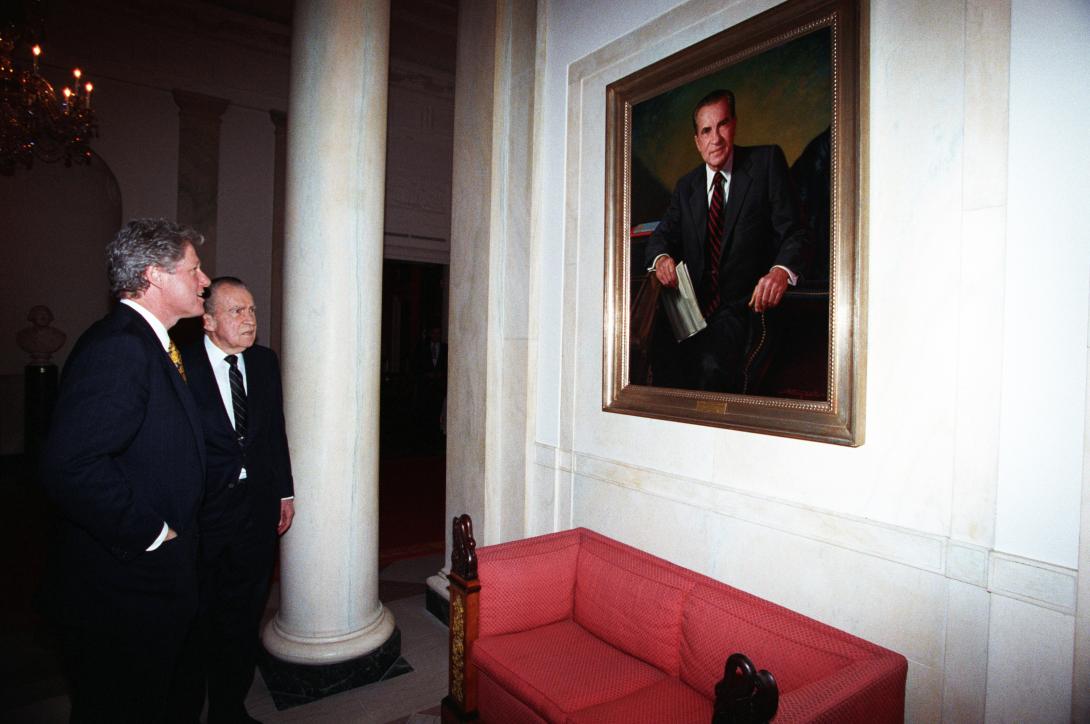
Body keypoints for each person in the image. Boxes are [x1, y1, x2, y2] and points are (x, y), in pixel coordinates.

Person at [39, 218, 211, 722]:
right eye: (194, 270)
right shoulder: (120, 346)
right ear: (156, 275)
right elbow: (71, 465)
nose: (204, 281)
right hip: (126, 585)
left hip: (154, 577)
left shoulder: (150, 340)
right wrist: (154, 534)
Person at [172, 276, 294, 724]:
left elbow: (273, 432)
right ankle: (184, 708)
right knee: (195, 618)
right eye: (236, 312)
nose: (249, 320)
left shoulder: (264, 363)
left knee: (243, 616)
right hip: (202, 514)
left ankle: (229, 709)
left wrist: (284, 490)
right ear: (208, 321)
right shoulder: (180, 366)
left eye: (253, 310)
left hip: (257, 510)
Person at [644, 89, 810, 392]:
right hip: (691, 314)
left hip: (743, 309)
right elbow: (660, 237)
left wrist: (780, 271)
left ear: (733, 124)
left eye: (722, 125)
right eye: (706, 130)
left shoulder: (766, 162)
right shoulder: (687, 187)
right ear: (697, 141)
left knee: (709, 368)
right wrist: (661, 259)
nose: (715, 138)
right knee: (654, 365)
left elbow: (796, 232)